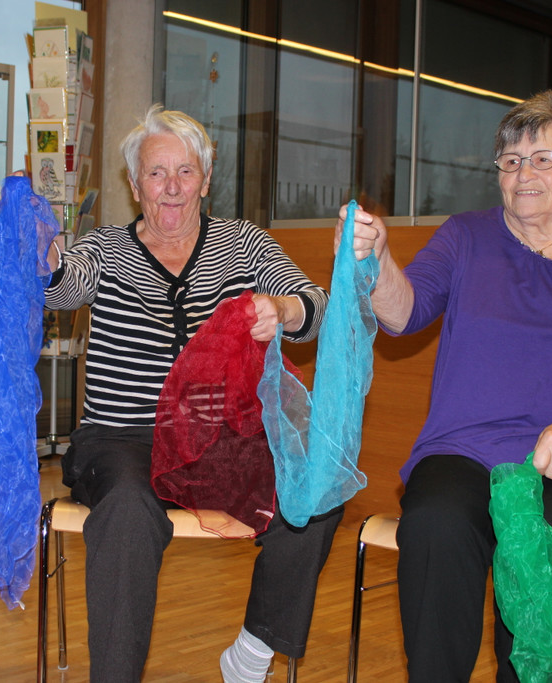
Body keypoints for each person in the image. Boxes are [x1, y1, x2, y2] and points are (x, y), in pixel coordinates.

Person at [339, 90, 552, 681]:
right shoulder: (466, 236)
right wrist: (374, 262)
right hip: (467, 452)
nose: (524, 173)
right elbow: (404, 313)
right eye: (511, 160)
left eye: (544, 159)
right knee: (438, 522)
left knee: (544, 542)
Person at [44, 104, 341, 682]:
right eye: (156, 173)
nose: (173, 187)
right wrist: (46, 259)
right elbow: (61, 286)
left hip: (221, 442)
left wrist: (283, 309)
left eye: (186, 171)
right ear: (135, 186)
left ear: (206, 180)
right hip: (124, 440)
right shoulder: (105, 248)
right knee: (126, 509)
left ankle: (253, 652)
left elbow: (315, 307)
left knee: (319, 484)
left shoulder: (244, 244)